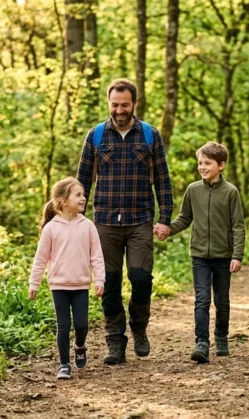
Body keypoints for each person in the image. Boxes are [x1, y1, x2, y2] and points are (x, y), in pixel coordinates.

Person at [76, 78, 173, 364]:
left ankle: (139, 327)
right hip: (104, 221)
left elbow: (162, 180)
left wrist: (165, 217)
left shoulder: (149, 135)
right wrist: (75, 219)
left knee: (141, 278)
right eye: (115, 105)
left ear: (135, 104)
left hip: (140, 218)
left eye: (125, 105)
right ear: (109, 103)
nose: (120, 110)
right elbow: (82, 181)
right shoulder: (95, 136)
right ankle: (114, 340)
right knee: (110, 281)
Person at [157, 142, 245, 364]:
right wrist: (169, 229)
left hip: (224, 256)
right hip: (199, 256)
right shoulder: (193, 190)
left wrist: (237, 254)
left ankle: (221, 336)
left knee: (222, 300)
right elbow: (185, 218)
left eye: (208, 163)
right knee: (202, 299)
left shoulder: (231, 192)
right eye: (200, 163)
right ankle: (202, 342)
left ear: (221, 165)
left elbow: (237, 225)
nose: (202, 167)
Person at [29, 177, 106, 379]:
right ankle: (64, 364)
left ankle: (79, 345)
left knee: (81, 325)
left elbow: (96, 255)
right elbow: (40, 259)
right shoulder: (51, 228)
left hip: (81, 284)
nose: (83, 198)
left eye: (83, 194)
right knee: (63, 326)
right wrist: (34, 283)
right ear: (63, 201)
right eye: (78, 195)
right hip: (59, 285)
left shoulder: (88, 226)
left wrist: (99, 280)